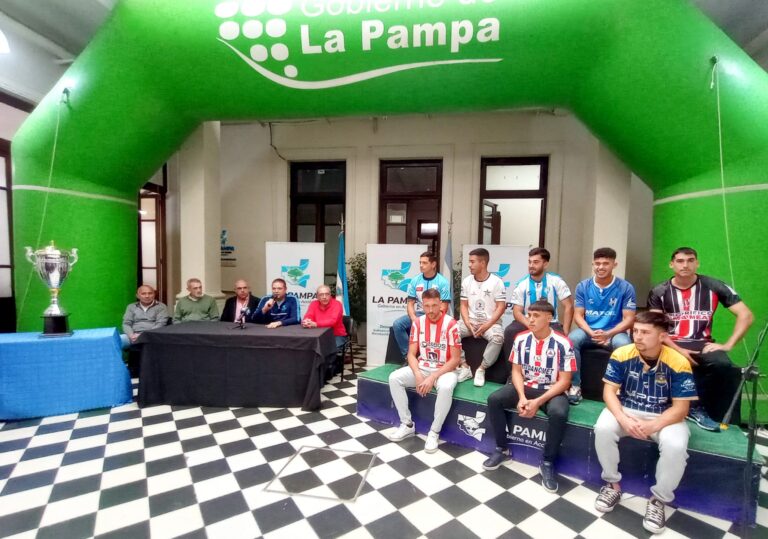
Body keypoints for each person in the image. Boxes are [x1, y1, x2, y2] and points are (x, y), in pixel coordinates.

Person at [593, 310, 697, 535]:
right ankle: (612, 485)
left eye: (645, 332)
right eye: (636, 331)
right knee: (602, 428)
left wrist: (651, 426)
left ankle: (659, 499)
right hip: (627, 409)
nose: (638, 336)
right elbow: (609, 393)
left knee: (675, 446)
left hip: (664, 416)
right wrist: (623, 418)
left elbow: (681, 409)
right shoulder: (622, 353)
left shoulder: (678, 362)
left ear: (662, 336)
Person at [648, 247, 753, 431]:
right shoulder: (659, 291)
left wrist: (728, 345)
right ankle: (687, 408)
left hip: (703, 342)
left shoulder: (714, 286)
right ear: (671, 264)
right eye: (680, 261)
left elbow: (746, 315)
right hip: (670, 342)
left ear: (697, 263)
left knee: (722, 364)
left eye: (690, 260)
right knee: (668, 359)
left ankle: (711, 413)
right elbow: (655, 326)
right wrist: (678, 350)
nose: (685, 265)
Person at [482, 300, 575, 494]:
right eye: (529, 315)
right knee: (494, 399)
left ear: (549, 318)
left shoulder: (563, 343)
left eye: (536, 316)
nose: (530, 320)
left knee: (559, 413)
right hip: (526, 387)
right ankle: (502, 449)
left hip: (552, 390)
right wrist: (522, 397)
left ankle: (547, 462)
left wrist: (538, 402)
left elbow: (565, 381)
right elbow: (516, 372)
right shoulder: (521, 338)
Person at [388, 289, 462, 453]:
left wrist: (433, 377)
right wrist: (418, 374)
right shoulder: (418, 323)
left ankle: (434, 432)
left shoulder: (451, 324)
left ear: (441, 304)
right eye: (426, 306)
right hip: (423, 367)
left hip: (445, 371)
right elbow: (411, 354)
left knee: (446, 387)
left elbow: (455, 359)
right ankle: (407, 424)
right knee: (394, 378)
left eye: (434, 305)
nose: (430, 310)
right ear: (422, 305)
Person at [567, 247, 636, 404]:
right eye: (597, 263)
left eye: (606, 263)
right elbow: (578, 315)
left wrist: (608, 334)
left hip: (615, 332)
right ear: (593, 264)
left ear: (614, 264)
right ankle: (575, 385)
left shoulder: (625, 287)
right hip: (588, 331)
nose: (601, 267)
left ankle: (620, 389)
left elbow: (629, 319)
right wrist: (591, 332)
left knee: (624, 345)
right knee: (571, 340)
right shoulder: (583, 286)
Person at [458, 248, 506, 387]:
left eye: (472, 262)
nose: (469, 265)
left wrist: (487, 325)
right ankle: (464, 366)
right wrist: (467, 322)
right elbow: (463, 305)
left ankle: (481, 369)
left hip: (490, 323)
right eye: (469, 262)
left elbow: (501, 307)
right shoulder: (467, 281)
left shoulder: (497, 282)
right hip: (470, 322)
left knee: (498, 338)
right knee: (450, 330)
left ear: (483, 263)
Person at [391, 251, 451, 361]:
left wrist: (431, 318)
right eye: (420, 262)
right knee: (397, 324)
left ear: (433, 264)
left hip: (436, 314)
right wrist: (414, 319)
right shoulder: (415, 280)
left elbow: (444, 306)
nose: (421, 265)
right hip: (419, 314)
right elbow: (410, 303)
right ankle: (408, 357)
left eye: (424, 263)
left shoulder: (442, 282)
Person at [507, 247, 573, 342]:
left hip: (551, 322)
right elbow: (517, 311)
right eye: (529, 262)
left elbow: (568, 306)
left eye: (535, 262)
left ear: (545, 264)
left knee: (560, 337)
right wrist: (529, 324)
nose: (531, 265)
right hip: (528, 321)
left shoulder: (556, 281)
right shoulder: (522, 284)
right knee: (510, 331)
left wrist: (566, 332)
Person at [303, 284, 347, 349]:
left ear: (330, 295)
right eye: (321, 294)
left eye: (327, 294)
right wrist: (307, 321)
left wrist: (316, 324)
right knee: (307, 347)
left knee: (327, 350)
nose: (324, 297)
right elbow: (309, 315)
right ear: (317, 296)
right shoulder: (313, 304)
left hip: (336, 335)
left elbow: (333, 321)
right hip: (318, 335)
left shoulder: (337, 304)